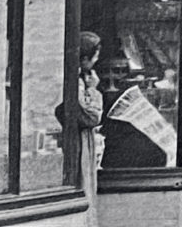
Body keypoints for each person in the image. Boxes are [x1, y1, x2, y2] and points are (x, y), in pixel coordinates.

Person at [77, 31, 104, 227]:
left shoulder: (79, 79)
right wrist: (93, 89)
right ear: (85, 58)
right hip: (78, 143)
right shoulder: (77, 81)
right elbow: (91, 116)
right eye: (94, 57)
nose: (96, 61)